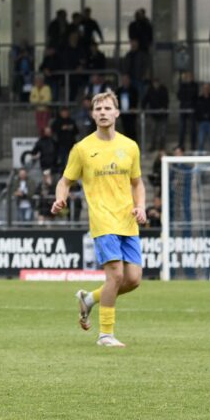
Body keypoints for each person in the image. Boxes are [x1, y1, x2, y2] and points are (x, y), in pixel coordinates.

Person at [52, 91, 146, 348]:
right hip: (103, 220)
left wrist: (141, 207)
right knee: (115, 276)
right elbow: (65, 180)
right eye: (98, 109)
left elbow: (137, 183)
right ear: (93, 115)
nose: (103, 112)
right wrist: (60, 198)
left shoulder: (130, 146)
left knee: (134, 279)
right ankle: (106, 335)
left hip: (128, 220)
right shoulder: (82, 149)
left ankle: (89, 299)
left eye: (108, 108)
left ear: (117, 112)